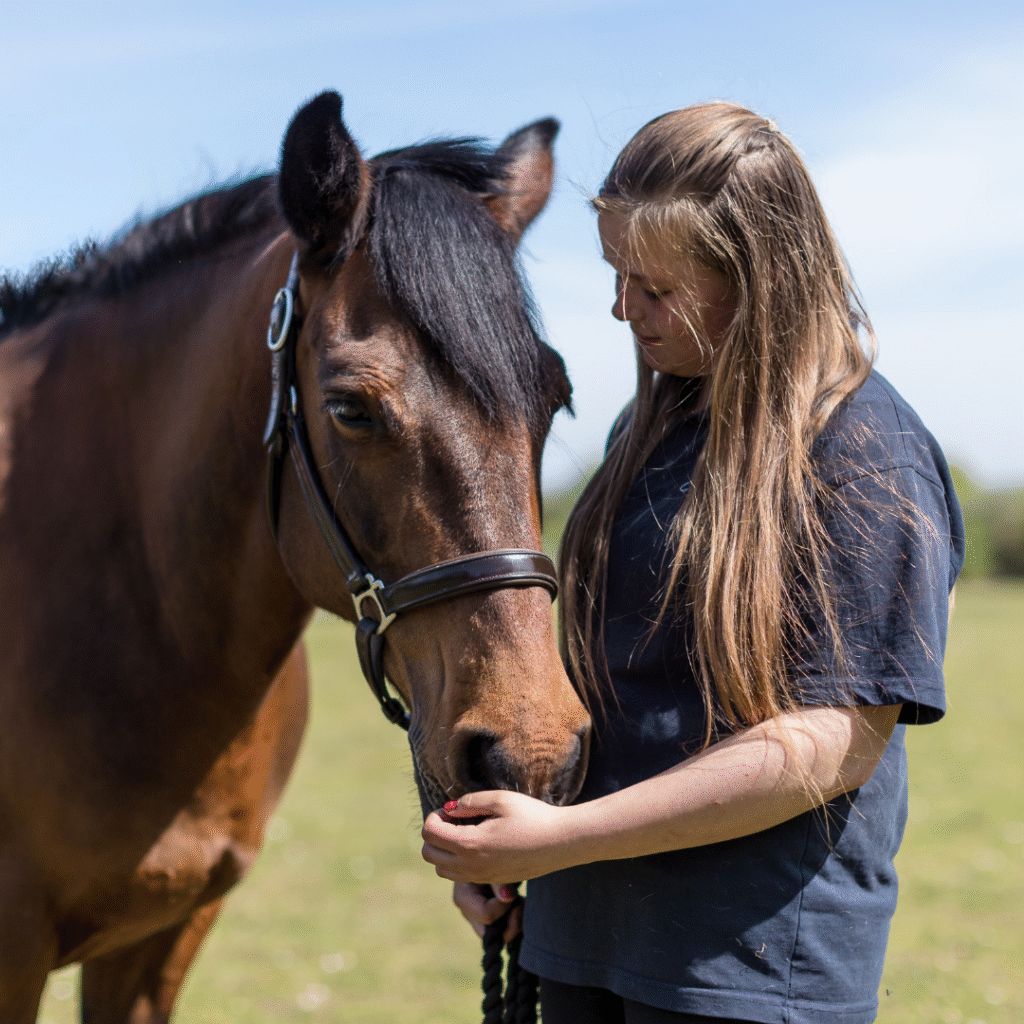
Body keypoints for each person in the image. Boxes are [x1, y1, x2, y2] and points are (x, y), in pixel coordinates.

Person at [420, 102, 964, 1024]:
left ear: (762, 279)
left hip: (744, 975)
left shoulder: (868, 455)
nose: (621, 307)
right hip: (583, 940)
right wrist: (514, 847)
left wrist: (563, 838)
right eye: (616, 275)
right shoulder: (650, 426)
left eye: (656, 287)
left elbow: (831, 744)